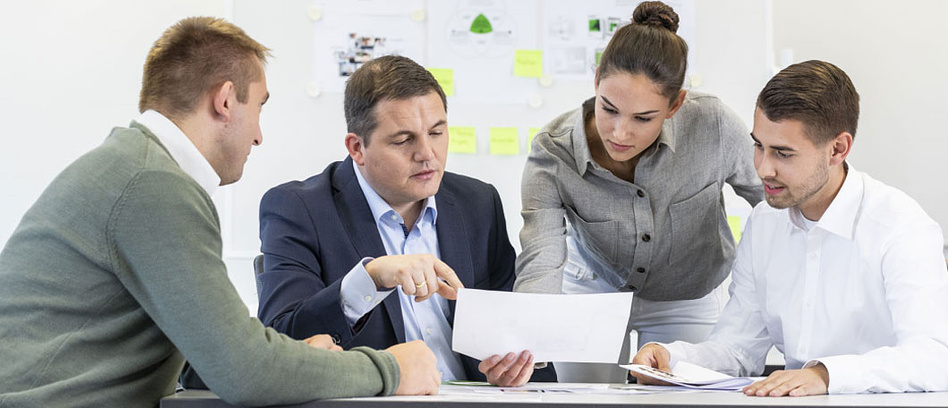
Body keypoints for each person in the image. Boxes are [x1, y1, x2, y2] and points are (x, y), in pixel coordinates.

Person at [0, 17, 440, 408]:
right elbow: (244, 371)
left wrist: (301, 360)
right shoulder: (153, 185)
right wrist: (391, 370)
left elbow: (208, 354)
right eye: (259, 108)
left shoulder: (139, 167)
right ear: (226, 101)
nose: (259, 135)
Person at [631, 60, 948, 396]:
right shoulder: (765, 223)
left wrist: (826, 375)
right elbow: (737, 348)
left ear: (838, 149)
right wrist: (672, 359)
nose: (763, 169)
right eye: (759, 146)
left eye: (783, 154)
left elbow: (936, 357)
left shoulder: (900, 227)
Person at [256, 55, 555, 387]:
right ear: (357, 148)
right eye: (403, 140)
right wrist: (370, 279)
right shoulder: (299, 209)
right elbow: (281, 344)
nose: (427, 153)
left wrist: (517, 368)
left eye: (437, 132)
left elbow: (518, 333)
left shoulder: (478, 203)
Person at [514, 1, 762, 382]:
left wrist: (761, 293)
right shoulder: (553, 150)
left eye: (643, 118)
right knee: (581, 399)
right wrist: (525, 344)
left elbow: (774, 201)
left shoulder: (713, 125)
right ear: (597, 80)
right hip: (593, 286)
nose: (620, 132)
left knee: (684, 397)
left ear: (675, 105)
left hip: (687, 294)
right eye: (609, 108)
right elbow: (541, 258)